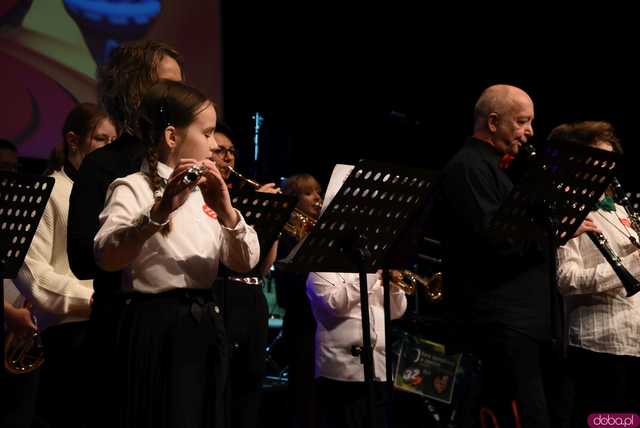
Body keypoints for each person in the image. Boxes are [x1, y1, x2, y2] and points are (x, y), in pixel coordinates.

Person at [93, 80, 260, 428]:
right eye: (208, 133)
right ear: (172, 137)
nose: (215, 145)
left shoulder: (208, 194)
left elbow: (245, 261)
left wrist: (227, 212)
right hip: (156, 325)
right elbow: (106, 256)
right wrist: (160, 210)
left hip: (204, 322)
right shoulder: (132, 187)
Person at [432, 84, 597, 428]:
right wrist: (558, 230)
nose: (530, 131)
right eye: (522, 122)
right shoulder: (469, 167)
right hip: (503, 321)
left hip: (527, 321)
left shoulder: (503, 169)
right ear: (493, 122)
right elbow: (496, 245)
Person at [65, 40, 182, 427]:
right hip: (124, 332)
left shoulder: (186, 165)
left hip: (183, 334)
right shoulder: (103, 165)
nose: (181, 98)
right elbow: (83, 260)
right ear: (135, 91)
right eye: (169, 86)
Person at [13, 103, 116, 428]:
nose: (109, 151)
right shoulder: (51, 192)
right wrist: (91, 300)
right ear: (74, 140)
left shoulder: (116, 194)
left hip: (110, 328)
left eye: (115, 142)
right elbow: (33, 274)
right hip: (71, 334)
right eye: (102, 140)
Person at [553, 121, 640, 424]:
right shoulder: (567, 208)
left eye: (610, 161)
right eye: (598, 160)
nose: (606, 169)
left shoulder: (621, 210)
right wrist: (632, 266)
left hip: (634, 342)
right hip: (597, 345)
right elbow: (565, 279)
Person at [210, 124, 278, 428]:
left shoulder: (242, 196)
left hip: (253, 297)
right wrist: (255, 211)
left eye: (232, 153)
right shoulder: (211, 201)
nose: (228, 158)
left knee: (252, 384)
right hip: (222, 295)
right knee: (222, 387)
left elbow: (261, 267)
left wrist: (271, 225)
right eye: (220, 151)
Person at [306, 270, 407, 428]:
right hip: (342, 373)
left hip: (379, 370)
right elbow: (335, 304)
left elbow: (396, 311)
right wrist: (370, 274)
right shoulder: (321, 272)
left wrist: (393, 288)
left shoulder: (373, 275)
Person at [273, 173, 322, 428]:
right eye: (308, 193)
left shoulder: (323, 232)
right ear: (293, 199)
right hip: (302, 322)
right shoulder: (287, 235)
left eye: (318, 191)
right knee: (303, 398)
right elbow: (285, 292)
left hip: (323, 324)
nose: (317, 198)